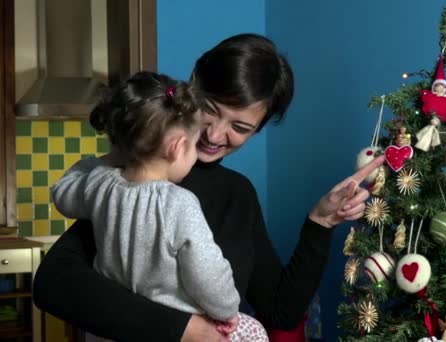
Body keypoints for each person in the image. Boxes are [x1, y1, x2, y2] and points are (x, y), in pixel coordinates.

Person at [33, 33, 385, 342]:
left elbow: (281, 312)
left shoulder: (237, 193)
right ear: (192, 84)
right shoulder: (135, 178)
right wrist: (182, 329)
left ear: (258, 129)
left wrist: (319, 224)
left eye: (240, 127)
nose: (215, 135)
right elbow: (55, 284)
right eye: (209, 110)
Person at [50, 71, 268, 341]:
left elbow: (61, 192)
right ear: (177, 148)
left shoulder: (100, 185)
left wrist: (103, 162)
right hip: (172, 327)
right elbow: (207, 274)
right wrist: (227, 310)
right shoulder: (180, 203)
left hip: (110, 332)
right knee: (254, 332)